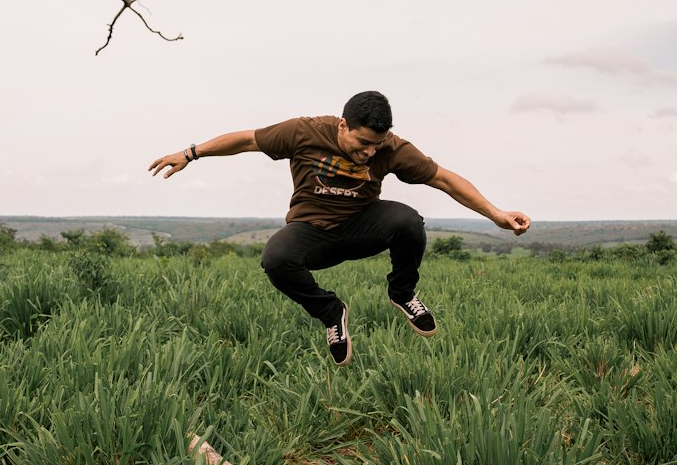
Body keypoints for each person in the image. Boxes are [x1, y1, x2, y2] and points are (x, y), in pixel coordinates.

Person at [148, 90, 531, 366]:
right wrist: (189, 153)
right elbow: (246, 140)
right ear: (344, 125)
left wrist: (496, 214)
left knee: (408, 220)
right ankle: (332, 313)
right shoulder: (304, 131)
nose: (369, 153)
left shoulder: (392, 147)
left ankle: (402, 292)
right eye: (363, 143)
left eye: (376, 147)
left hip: (364, 226)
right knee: (277, 258)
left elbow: (445, 179)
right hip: (313, 233)